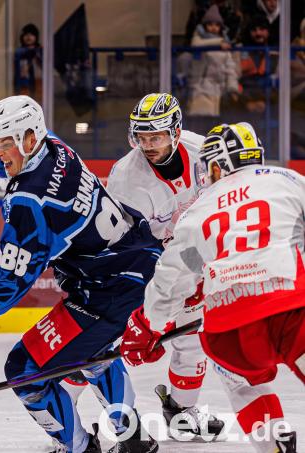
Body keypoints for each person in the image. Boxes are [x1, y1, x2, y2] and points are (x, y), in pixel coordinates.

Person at [0, 95, 160, 453]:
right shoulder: (54, 146)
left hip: (109, 291)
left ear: (29, 138)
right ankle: (134, 438)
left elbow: (7, 288)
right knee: (94, 355)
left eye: (5, 144)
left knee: (25, 370)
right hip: (133, 264)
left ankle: (79, 448)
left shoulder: (33, 201)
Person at [121, 122, 303, 453]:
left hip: (227, 326)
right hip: (288, 310)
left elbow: (172, 279)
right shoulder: (287, 181)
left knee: (243, 384)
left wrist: (146, 326)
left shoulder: (198, 211)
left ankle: (273, 438)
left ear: (216, 166)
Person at [107, 93, 225, 438]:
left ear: (175, 131)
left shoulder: (203, 151)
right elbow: (127, 247)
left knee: (192, 341)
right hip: (153, 263)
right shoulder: (126, 179)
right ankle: (67, 398)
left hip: (198, 257)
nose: (147, 145)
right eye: (141, 137)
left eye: (155, 136)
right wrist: (151, 316)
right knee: (110, 335)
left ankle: (181, 411)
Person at [184, 6, 240, 119]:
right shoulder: (201, 40)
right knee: (200, 123)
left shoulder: (225, 48)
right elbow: (195, 44)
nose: (214, 28)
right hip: (201, 89)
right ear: (205, 26)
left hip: (219, 91)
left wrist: (233, 88)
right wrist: (219, 42)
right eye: (210, 24)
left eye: (217, 25)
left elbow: (230, 69)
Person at [14, 23, 43, 100]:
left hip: (38, 83)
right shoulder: (19, 52)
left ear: (36, 37)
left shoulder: (40, 51)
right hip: (22, 85)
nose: (28, 37)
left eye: (31, 34)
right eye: (26, 34)